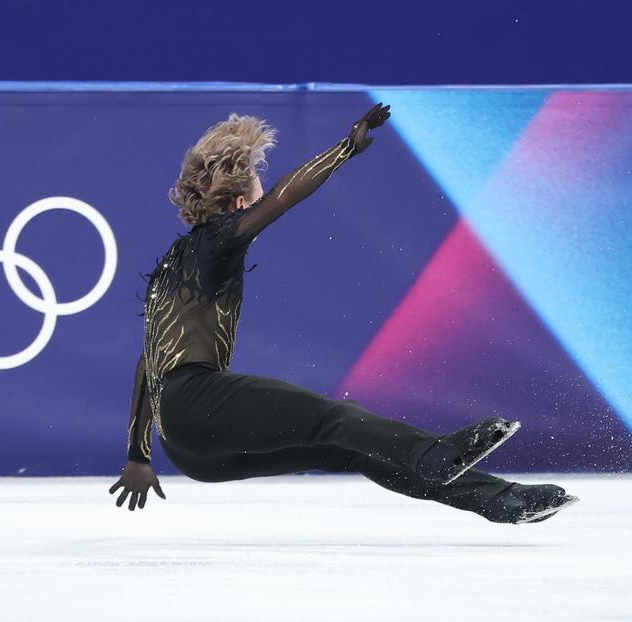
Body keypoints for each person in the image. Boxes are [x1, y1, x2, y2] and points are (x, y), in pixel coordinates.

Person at [109, 103, 578, 524]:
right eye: (255, 193)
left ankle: (499, 500)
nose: (261, 197)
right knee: (337, 418)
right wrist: (344, 150)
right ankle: (432, 452)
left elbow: (147, 363)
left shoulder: (169, 268)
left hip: (187, 451)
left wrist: (138, 455)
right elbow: (284, 197)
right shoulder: (219, 241)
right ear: (239, 204)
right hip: (198, 401)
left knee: (348, 447)